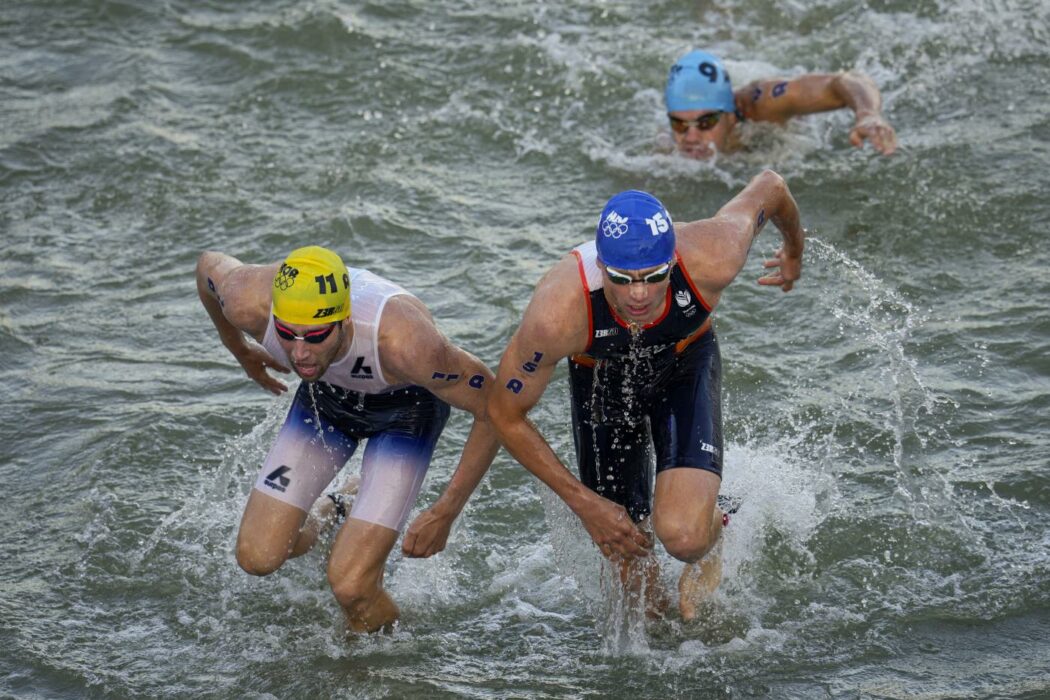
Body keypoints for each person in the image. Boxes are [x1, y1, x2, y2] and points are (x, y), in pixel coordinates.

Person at [487, 171, 805, 619]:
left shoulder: (714, 253)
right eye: (622, 278)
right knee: (636, 585)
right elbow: (504, 413)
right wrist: (586, 504)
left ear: (673, 261)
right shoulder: (558, 312)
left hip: (684, 361)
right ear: (601, 267)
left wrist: (794, 250)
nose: (638, 294)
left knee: (685, 537)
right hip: (601, 381)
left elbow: (771, 187)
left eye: (654, 277)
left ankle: (718, 521)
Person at [196, 245, 500, 633]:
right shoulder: (247, 299)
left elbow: (494, 407)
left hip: (405, 412)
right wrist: (239, 348)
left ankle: (381, 672)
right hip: (326, 396)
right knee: (258, 557)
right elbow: (207, 266)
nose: (300, 353)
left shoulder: (407, 343)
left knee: (351, 586)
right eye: (287, 335)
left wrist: (446, 510)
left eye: (315, 336)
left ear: (345, 320)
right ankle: (338, 506)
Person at [665, 49, 897, 159]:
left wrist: (867, 114)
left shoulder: (764, 104)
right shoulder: (666, 152)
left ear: (730, 115)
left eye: (706, 122)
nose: (692, 137)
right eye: (679, 125)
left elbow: (847, 80)